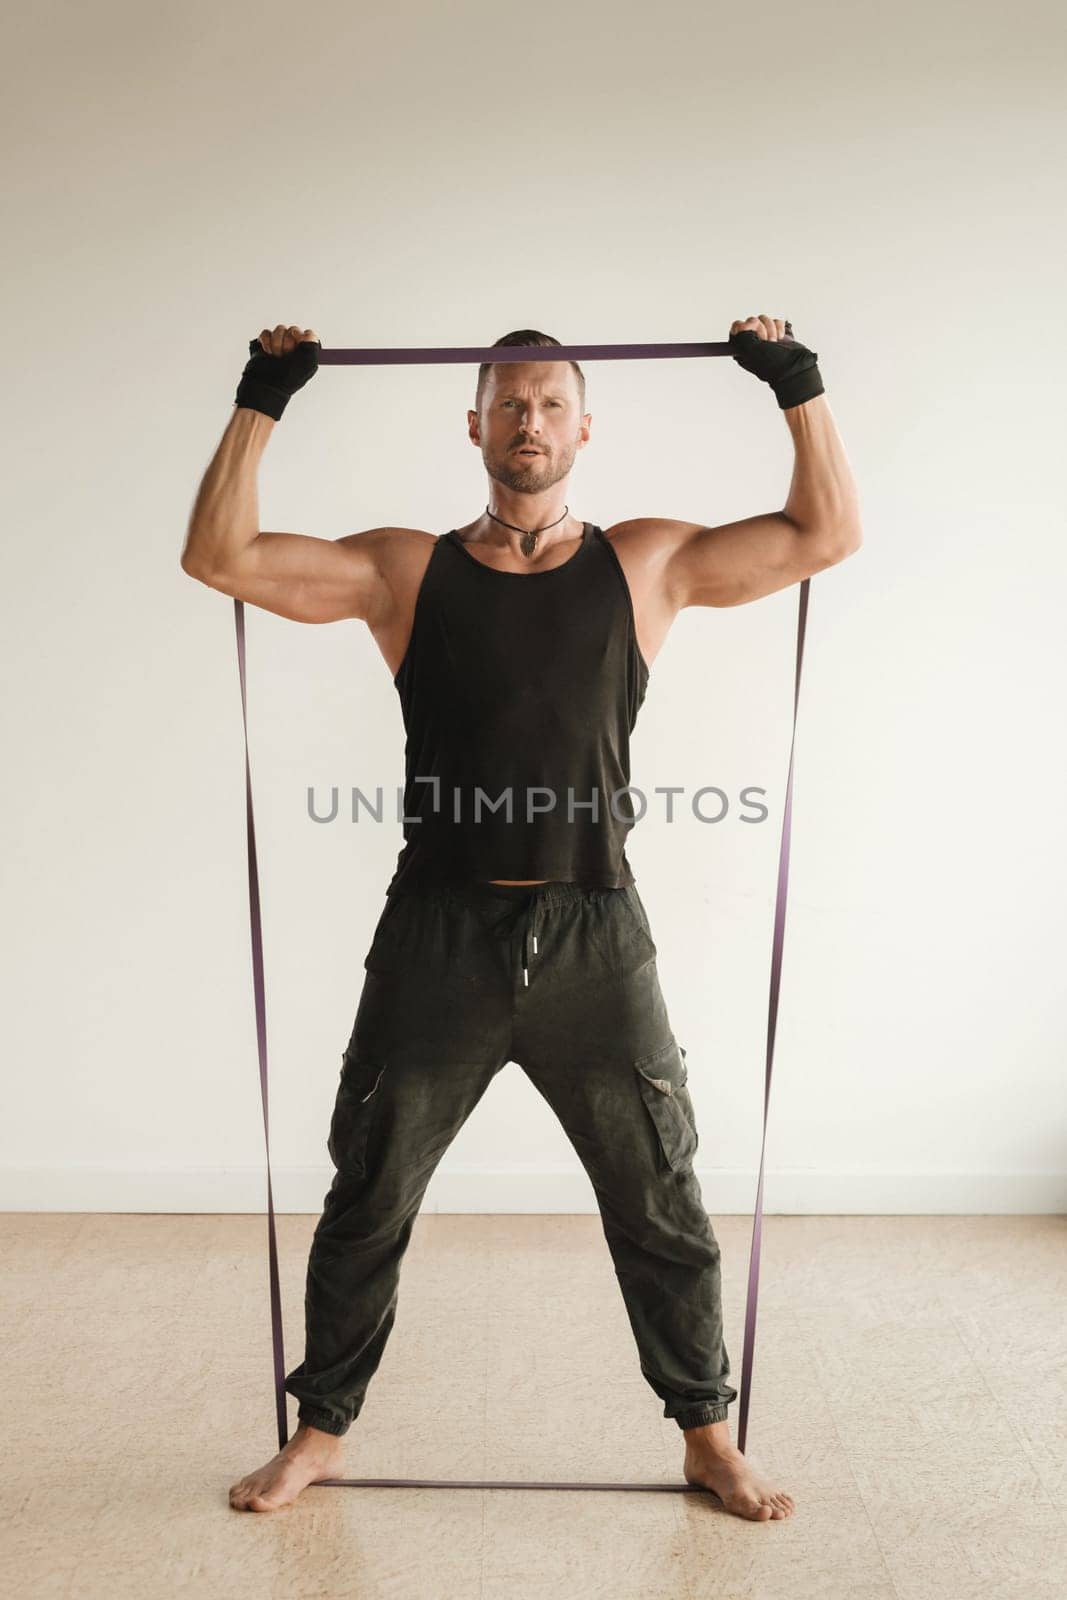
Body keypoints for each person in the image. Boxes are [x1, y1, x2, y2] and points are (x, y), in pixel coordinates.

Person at [181, 317, 861, 1520]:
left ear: (582, 425)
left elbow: (826, 534)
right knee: (367, 1196)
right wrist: (262, 396)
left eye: (550, 404)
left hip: (597, 937)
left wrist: (795, 387)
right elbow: (220, 555)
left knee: (660, 1198)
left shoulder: (646, 562)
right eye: (508, 404)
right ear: (475, 424)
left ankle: (707, 1433)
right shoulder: (403, 570)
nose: (528, 423)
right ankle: (320, 1431)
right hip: (437, 934)